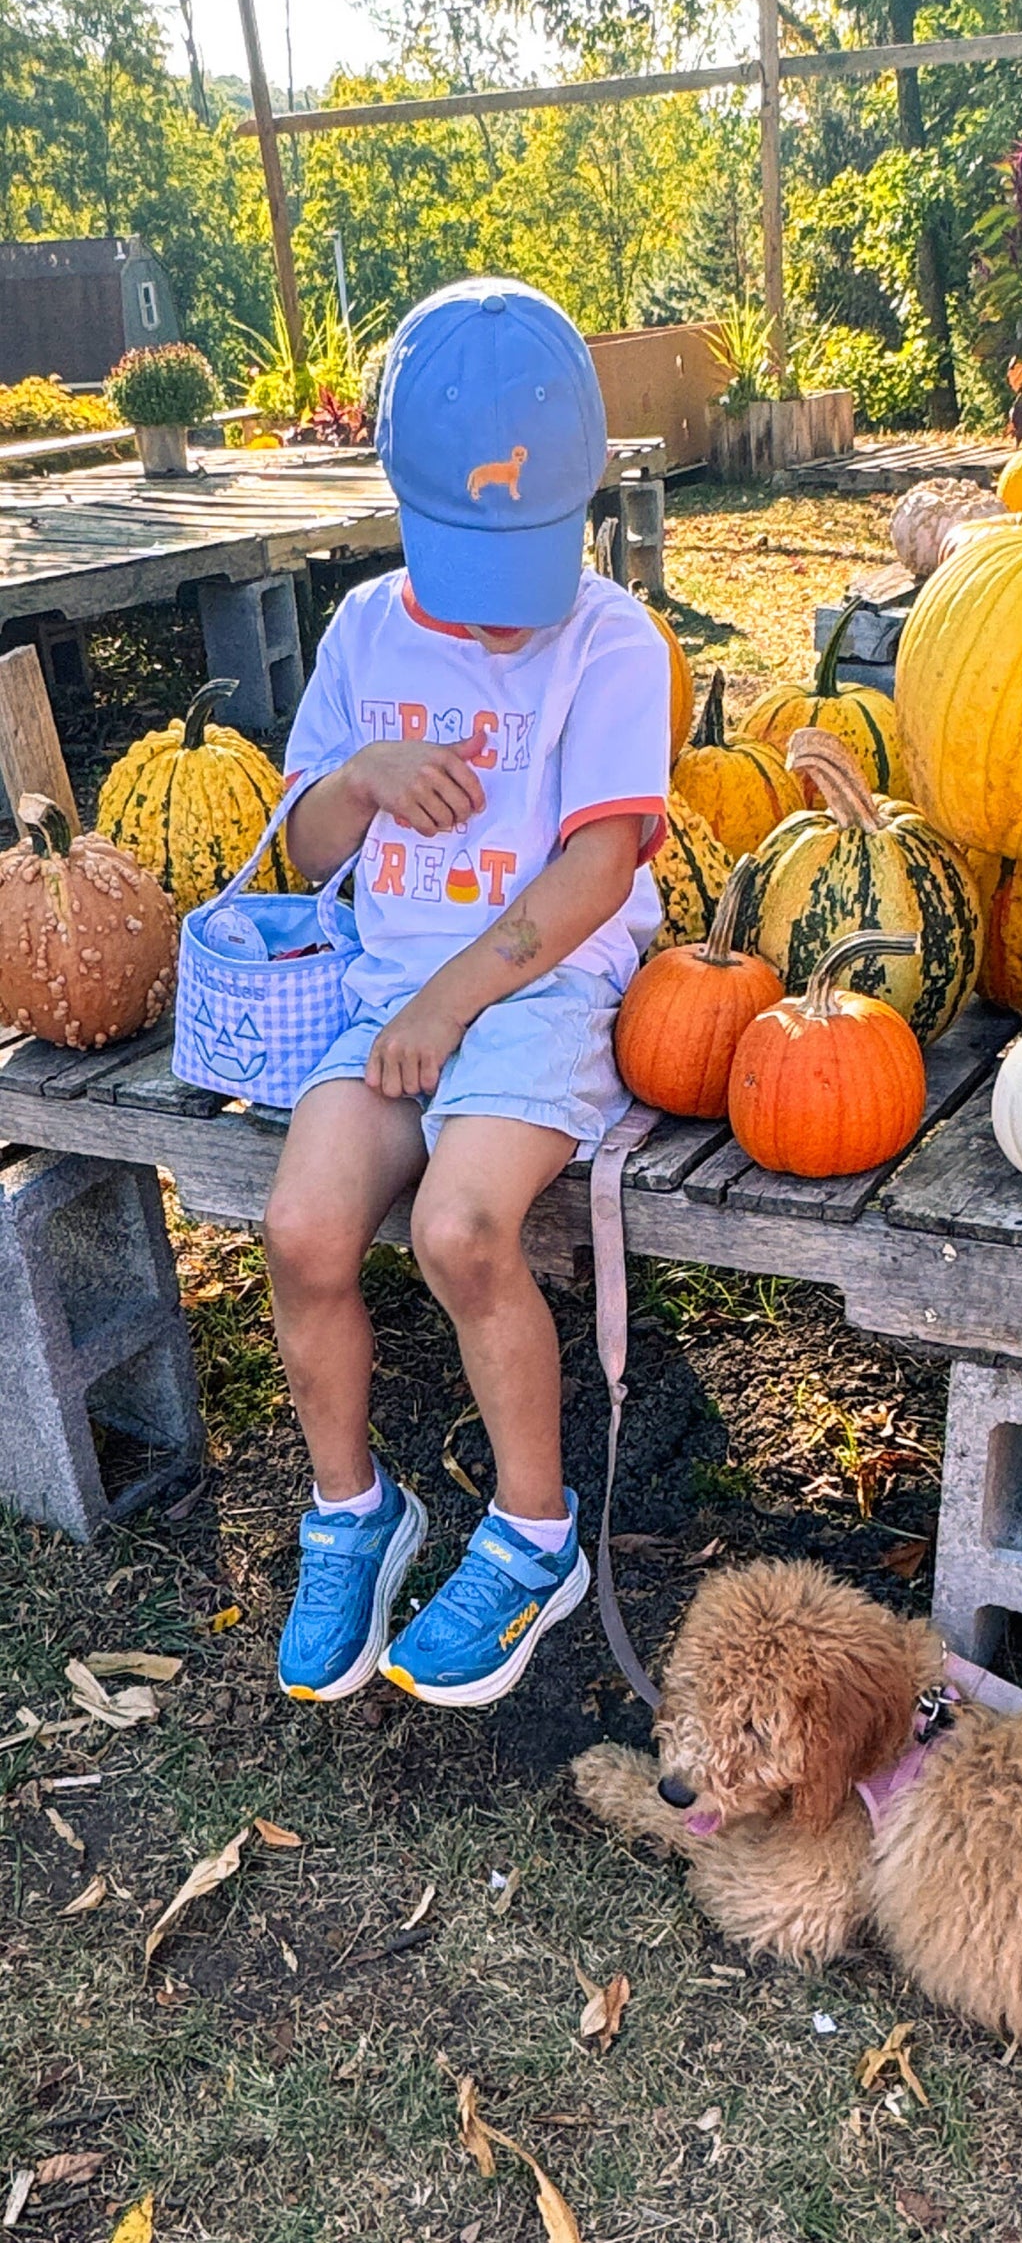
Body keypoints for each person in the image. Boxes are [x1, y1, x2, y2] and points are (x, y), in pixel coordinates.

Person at [262, 279, 669, 1709]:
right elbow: (303, 849)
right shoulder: (367, 633)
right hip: (384, 987)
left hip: (541, 992)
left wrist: (453, 999)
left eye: (527, 573)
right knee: (304, 1227)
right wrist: (355, 782)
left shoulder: (613, 640)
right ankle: (356, 1513)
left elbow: (601, 867)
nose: (501, 625)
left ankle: (534, 1534)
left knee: (462, 1225)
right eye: (473, 577)